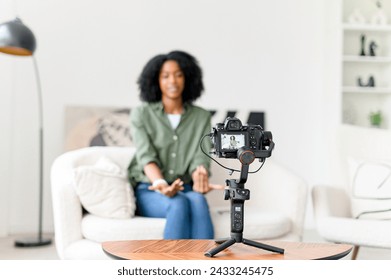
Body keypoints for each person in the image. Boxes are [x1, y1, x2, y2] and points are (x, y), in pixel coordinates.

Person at [127, 50, 223, 239]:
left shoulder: (201, 117)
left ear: (188, 78)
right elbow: (146, 156)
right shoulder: (141, 114)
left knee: (198, 201)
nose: (173, 81)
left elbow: (200, 156)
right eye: (166, 76)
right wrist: (161, 183)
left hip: (185, 188)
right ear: (156, 80)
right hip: (150, 189)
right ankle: (170, 266)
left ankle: (206, 265)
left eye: (179, 75)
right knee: (178, 203)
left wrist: (200, 177)